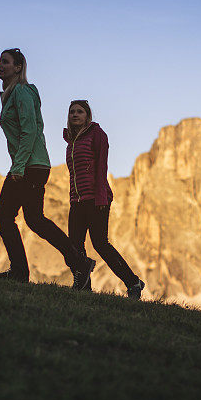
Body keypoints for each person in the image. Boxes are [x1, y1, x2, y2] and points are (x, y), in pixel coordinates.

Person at [0, 48, 95, 289]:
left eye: (5, 62)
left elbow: (30, 131)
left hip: (29, 165)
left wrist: (18, 166)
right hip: (30, 164)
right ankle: (78, 262)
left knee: (6, 216)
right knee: (34, 219)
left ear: (18, 67)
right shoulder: (11, 93)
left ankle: (21, 271)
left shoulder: (22, 92)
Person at [63, 100, 146, 299]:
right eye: (72, 112)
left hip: (96, 198)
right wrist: (72, 197)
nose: (75, 115)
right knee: (74, 245)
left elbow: (102, 167)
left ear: (87, 115)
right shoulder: (71, 141)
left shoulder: (97, 135)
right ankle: (84, 287)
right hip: (77, 200)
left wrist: (101, 197)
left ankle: (133, 282)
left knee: (100, 243)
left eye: (80, 112)